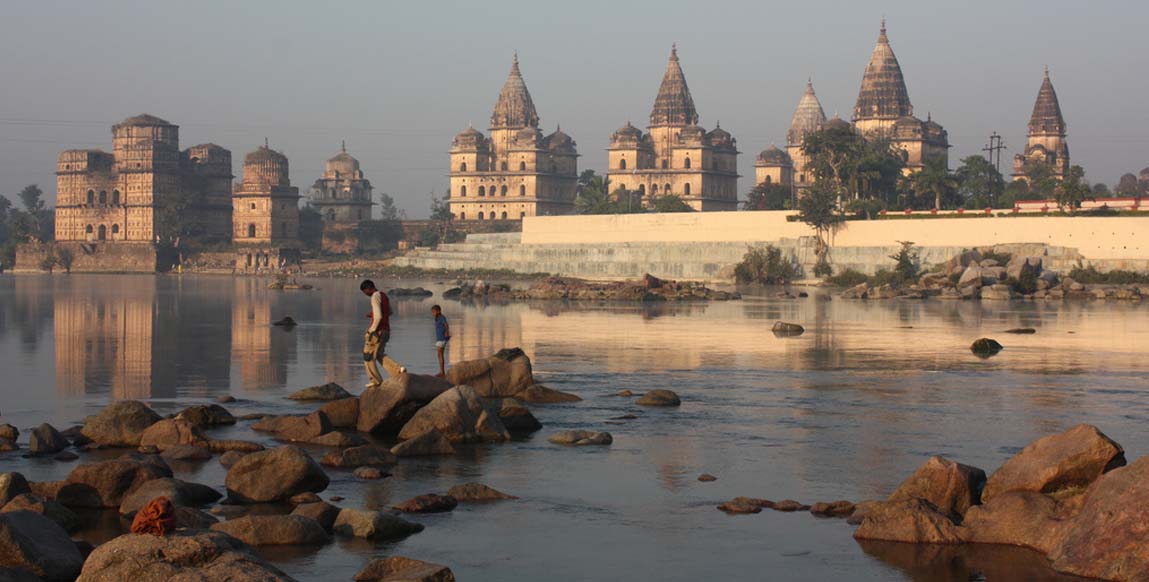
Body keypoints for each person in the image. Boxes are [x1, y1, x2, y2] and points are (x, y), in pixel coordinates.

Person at [360, 279, 402, 387]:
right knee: (379, 354)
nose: (366, 295)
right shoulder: (383, 295)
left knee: (368, 355)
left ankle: (375, 380)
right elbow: (390, 312)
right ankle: (398, 371)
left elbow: (378, 317)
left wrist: (371, 330)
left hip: (377, 331)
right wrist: (373, 314)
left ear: (369, 288)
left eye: (365, 292)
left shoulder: (374, 296)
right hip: (386, 330)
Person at [431, 304, 451, 377]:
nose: (433, 313)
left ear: (439, 311)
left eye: (434, 312)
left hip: (442, 338)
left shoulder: (442, 317)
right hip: (439, 339)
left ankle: (442, 373)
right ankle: (441, 372)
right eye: (432, 312)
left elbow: (446, 325)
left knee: (440, 354)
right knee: (439, 355)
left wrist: (446, 333)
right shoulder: (437, 318)